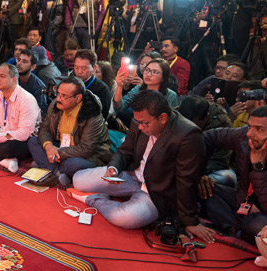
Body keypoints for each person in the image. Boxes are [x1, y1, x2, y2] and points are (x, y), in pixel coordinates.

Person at [70, 90, 215, 243]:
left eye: (144, 123)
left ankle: (94, 199)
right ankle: (112, 193)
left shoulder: (188, 135)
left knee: (125, 218)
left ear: (163, 118)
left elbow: (186, 181)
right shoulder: (140, 120)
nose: (139, 127)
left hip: (157, 192)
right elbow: (125, 150)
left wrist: (190, 220)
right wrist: (113, 169)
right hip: (134, 176)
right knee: (78, 180)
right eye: (137, 122)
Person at [200, 106, 267, 241]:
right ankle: (233, 226)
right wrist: (200, 173)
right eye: (249, 126)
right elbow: (208, 137)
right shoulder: (244, 136)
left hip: (263, 212)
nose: (250, 133)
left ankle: (234, 226)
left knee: (256, 225)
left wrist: (258, 167)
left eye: (259, 129)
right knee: (199, 187)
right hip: (242, 198)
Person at [29, 76, 111, 185]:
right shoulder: (55, 105)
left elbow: (86, 148)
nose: (58, 98)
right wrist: (48, 146)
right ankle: (57, 173)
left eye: (64, 96)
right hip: (60, 147)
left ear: (78, 98)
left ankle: (47, 167)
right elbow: (44, 128)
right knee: (33, 141)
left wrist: (57, 153)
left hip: (88, 156)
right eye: (58, 93)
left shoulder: (92, 115)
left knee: (73, 164)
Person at [178, 95, 235, 188]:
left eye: (193, 125)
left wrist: (199, 175)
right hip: (183, 170)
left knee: (228, 177)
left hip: (210, 170)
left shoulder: (221, 122)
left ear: (206, 117)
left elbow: (220, 160)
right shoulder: (174, 117)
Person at [114, 58, 179, 125]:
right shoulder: (139, 89)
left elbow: (171, 122)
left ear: (163, 77)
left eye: (154, 72)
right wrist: (119, 86)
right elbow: (119, 108)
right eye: (147, 70)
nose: (148, 74)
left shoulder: (171, 95)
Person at [73, 49, 111, 119]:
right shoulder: (70, 83)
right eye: (76, 67)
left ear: (94, 68)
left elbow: (102, 116)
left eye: (84, 68)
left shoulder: (102, 89)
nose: (79, 71)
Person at [13, 49, 48, 115]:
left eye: (24, 61)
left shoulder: (39, 86)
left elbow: (41, 112)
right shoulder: (11, 78)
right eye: (19, 60)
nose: (19, 63)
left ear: (33, 67)